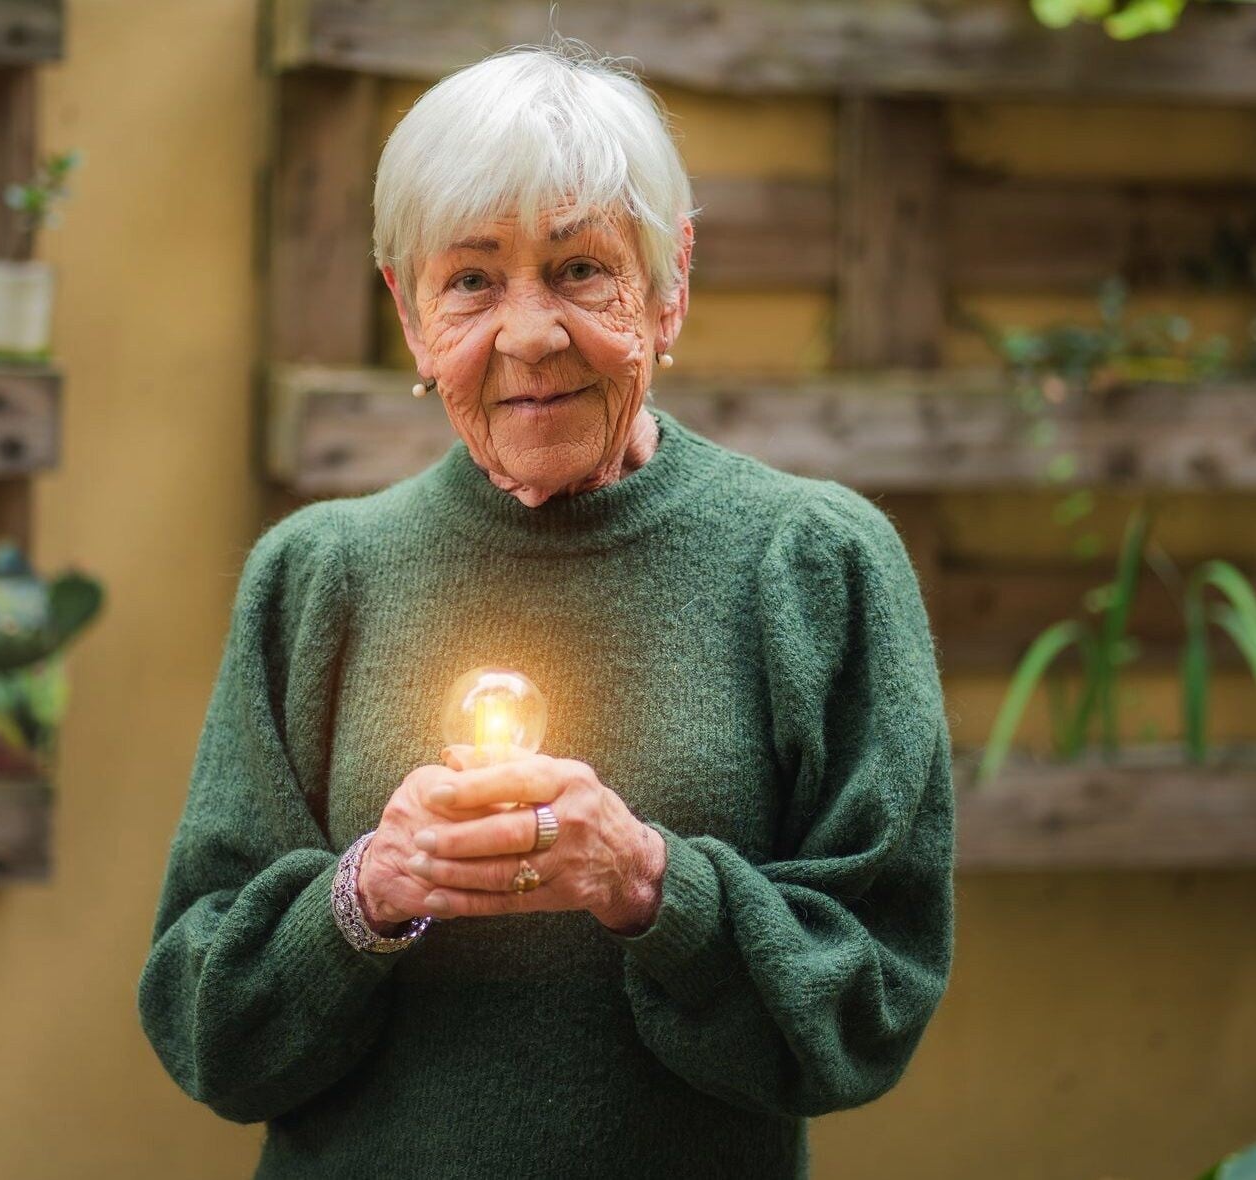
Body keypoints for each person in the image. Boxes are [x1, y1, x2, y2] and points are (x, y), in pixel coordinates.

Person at [137, 36, 956, 1179]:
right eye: (470, 280)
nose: (527, 334)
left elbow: (871, 1001)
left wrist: (647, 883)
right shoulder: (317, 573)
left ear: (669, 283)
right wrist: (366, 893)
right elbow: (206, 1031)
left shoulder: (811, 562)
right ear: (410, 315)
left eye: (579, 270)